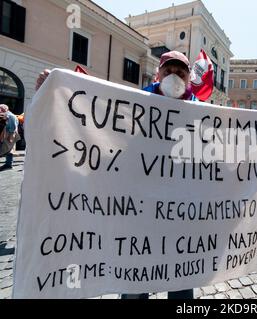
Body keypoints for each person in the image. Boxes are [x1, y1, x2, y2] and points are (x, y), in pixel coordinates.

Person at [36, 51, 197, 299]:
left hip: (180, 214)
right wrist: (52, 91)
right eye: (168, 71)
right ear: (158, 74)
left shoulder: (202, 113)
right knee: (134, 279)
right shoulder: (132, 102)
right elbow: (89, 119)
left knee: (181, 283)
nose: (173, 77)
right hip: (137, 211)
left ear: (189, 79)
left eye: (180, 73)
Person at [0, 104, 20, 171]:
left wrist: (11, 137)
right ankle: (8, 164)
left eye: (1, 109)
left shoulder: (10, 116)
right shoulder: (8, 115)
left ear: (4, 109)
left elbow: (13, 127)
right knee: (9, 150)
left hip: (9, 134)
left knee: (7, 149)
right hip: (9, 134)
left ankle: (8, 164)